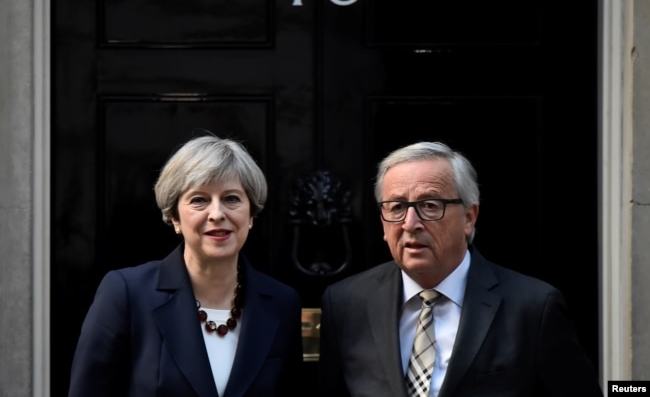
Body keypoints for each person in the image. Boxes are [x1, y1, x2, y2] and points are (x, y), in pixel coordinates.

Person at [318, 141, 603, 397]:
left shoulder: (534, 307)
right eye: (396, 207)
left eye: (430, 205)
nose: (410, 223)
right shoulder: (346, 303)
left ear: (469, 217)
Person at [69, 134, 304, 397]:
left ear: (251, 215)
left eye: (232, 198)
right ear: (174, 217)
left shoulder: (282, 303)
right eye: (199, 200)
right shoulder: (127, 293)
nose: (217, 213)